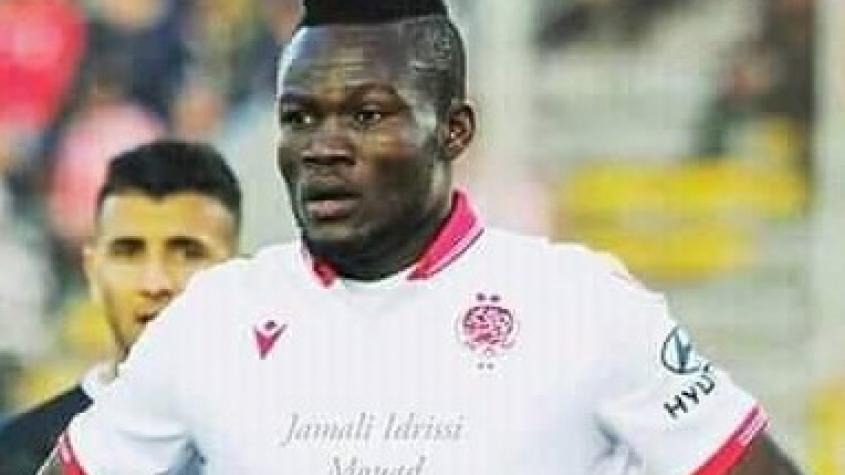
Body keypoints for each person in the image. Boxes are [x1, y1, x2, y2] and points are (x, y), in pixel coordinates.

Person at [42, 1, 804, 473]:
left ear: (453, 130)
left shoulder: (583, 304)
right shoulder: (210, 319)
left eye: (367, 115)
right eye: (299, 117)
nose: (323, 146)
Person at [0, 139, 241, 474]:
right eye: (128, 252)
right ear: (92, 271)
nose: (155, 283)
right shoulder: (17, 456)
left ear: (239, 273)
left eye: (187, 252)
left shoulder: (289, 436)